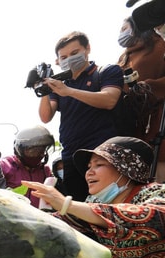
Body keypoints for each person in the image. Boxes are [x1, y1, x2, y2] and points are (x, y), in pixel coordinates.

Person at [23, 136, 165, 258]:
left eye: (99, 164)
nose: (89, 172)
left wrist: (67, 204)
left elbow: (150, 217)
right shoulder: (98, 205)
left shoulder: (156, 195)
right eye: (89, 166)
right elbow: (60, 226)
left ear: (126, 169)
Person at [38, 31, 124, 202]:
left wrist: (68, 91)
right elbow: (46, 116)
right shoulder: (60, 84)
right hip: (71, 156)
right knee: (77, 207)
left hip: (102, 154)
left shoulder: (106, 71)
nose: (69, 59)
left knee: (108, 205)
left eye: (74, 53)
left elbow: (109, 100)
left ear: (88, 49)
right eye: (63, 57)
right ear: (57, 61)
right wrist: (43, 89)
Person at [117, 16, 165, 182]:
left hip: (158, 124)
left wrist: (150, 87)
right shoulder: (123, 57)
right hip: (135, 129)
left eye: (125, 29)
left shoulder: (159, 43)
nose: (122, 34)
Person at [0, 126, 54, 208]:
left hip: (39, 217)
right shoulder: (5, 165)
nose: (40, 155)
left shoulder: (45, 170)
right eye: (34, 151)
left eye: (42, 151)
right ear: (20, 149)